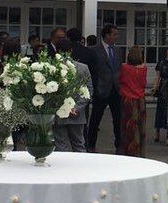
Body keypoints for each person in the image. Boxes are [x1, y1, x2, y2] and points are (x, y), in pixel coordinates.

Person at [86, 24, 123, 152]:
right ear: (107, 35)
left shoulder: (118, 50)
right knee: (95, 119)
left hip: (116, 89)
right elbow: (90, 69)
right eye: (114, 34)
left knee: (118, 119)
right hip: (101, 89)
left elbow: (119, 69)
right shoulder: (94, 50)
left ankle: (119, 145)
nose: (116, 37)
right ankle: (90, 145)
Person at [52, 37, 91, 152]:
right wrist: (77, 108)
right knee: (79, 144)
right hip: (77, 113)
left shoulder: (52, 68)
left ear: (57, 51)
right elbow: (89, 91)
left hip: (58, 112)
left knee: (60, 145)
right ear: (71, 51)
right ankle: (80, 168)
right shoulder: (83, 68)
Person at [118, 45, 147, 157]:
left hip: (127, 99)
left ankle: (130, 152)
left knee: (129, 127)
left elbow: (120, 80)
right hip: (140, 98)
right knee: (141, 127)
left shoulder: (124, 67)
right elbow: (143, 84)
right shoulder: (144, 68)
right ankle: (141, 152)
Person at [153, 45, 168, 144]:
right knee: (160, 109)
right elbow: (158, 76)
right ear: (167, 52)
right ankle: (157, 132)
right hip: (163, 87)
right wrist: (155, 87)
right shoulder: (162, 62)